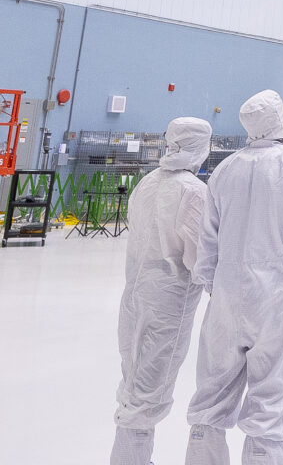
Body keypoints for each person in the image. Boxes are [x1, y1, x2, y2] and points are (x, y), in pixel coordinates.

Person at [185, 90, 283, 465]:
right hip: (274, 299)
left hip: (225, 300)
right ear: (278, 119)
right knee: (270, 399)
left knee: (211, 394)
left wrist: (220, 289)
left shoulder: (225, 169)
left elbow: (206, 242)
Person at [111, 117, 213, 465]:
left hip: (136, 294)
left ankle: (129, 458)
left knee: (133, 380)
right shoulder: (194, 192)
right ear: (202, 147)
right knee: (150, 389)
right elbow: (199, 258)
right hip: (168, 303)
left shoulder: (148, 182)